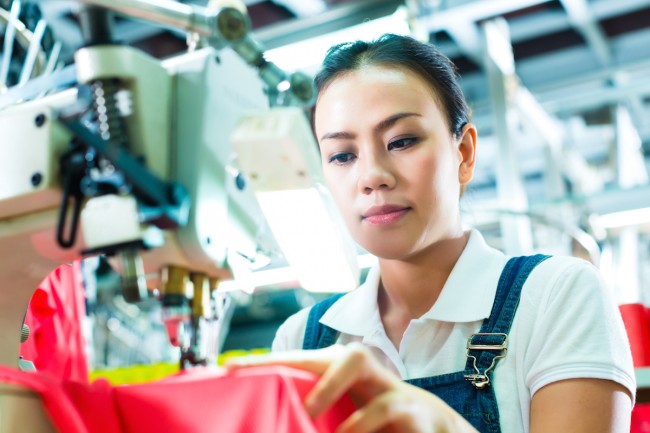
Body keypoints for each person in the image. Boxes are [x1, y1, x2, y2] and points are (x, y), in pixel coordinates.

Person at [227, 34, 636, 433]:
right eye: (342, 155)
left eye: (401, 141)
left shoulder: (556, 297)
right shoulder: (302, 339)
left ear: (464, 153)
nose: (371, 176)